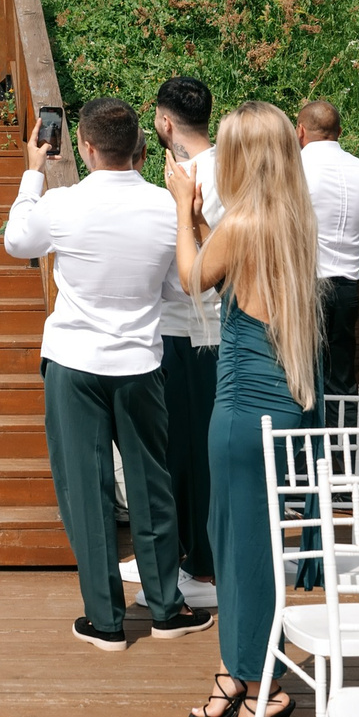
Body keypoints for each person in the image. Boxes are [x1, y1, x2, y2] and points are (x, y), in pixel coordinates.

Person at [4, 98, 208, 651]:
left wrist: (33, 173)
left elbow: (17, 241)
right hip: (141, 361)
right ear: (141, 147)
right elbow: (176, 288)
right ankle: (166, 605)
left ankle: (105, 619)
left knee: (85, 490)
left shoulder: (65, 203)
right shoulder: (167, 208)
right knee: (152, 485)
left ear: (85, 148)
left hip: (73, 361)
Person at [170, 99, 319, 717]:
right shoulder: (288, 219)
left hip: (241, 407)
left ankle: (265, 689)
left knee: (245, 549)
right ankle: (238, 669)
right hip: (277, 402)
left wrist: (183, 205)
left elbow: (191, 278)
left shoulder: (246, 220)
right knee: (237, 537)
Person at [142, 76, 221, 603]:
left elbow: (184, 265)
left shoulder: (186, 177)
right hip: (217, 326)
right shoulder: (229, 166)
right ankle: (192, 556)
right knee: (196, 451)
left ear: (166, 123)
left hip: (186, 324)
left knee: (186, 454)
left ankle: (201, 563)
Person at [295, 99, 359, 404]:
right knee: (341, 383)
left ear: (300, 131)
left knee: (301, 378)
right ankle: (342, 451)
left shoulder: (295, 167)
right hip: (348, 288)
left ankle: (305, 450)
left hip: (305, 283)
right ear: (339, 132)